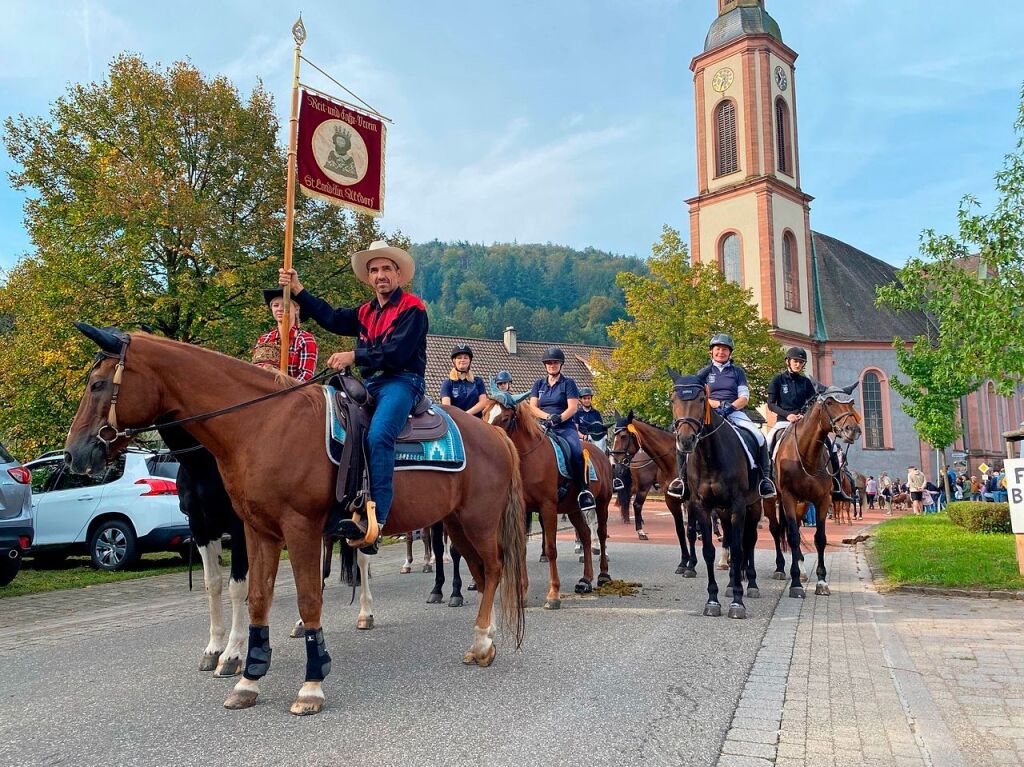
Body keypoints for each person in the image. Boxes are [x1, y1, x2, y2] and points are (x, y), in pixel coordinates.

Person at [278, 240, 428, 551]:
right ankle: (340, 503)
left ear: (399, 275)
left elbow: (398, 353)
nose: (380, 275)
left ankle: (378, 518)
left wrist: (354, 356)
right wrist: (298, 289)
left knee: (379, 436)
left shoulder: (414, 308)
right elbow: (331, 318)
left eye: (387, 268)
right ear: (369, 278)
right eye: (374, 270)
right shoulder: (365, 311)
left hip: (403, 381)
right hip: (371, 384)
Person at [693, 333, 776, 498]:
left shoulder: (738, 372)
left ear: (730, 353)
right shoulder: (703, 372)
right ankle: (682, 480)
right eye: (718, 349)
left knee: (759, 437)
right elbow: (700, 397)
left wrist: (730, 408)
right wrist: (718, 405)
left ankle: (765, 480)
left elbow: (744, 397)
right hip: (709, 415)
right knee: (684, 438)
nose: (721, 352)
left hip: (735, 412)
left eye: (725, 349)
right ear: (711, 351)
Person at [765, 346, 852, 501]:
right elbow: (771, 404)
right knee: (768, 443)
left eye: (801, 362)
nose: (798, 364)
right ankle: (768, 481)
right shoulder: (777, 380)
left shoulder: (806, 382)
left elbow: (813, 404)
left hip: (804, 423)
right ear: (788, 361)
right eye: (795, 361)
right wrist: (788, 415)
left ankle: (837, 484)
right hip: (783, 423)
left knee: (830, 445)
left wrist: (804, 416)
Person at [527, 347, 596, 512]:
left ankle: (583, 490)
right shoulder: (539, 384)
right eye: (549, 363)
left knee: (576, 451)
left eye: (555, 362)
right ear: (545, 365)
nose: (552, 365)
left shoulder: (568, 383)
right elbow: (532, 407)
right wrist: (547, 418)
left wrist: (558, 418)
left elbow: (572, 407)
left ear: (560, 364)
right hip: (542, 426)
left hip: (564, 427)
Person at [253, 288, 318, 381]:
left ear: (296, 309)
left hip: (293, 392)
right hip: (264, 390)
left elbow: (305, 377)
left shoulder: (305, 339)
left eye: (285, 305)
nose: (279, 309)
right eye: (276, 305)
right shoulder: (264, 339)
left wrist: (283, 388)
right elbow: (255, 370)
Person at [440, 345, 487, 417]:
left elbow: (483, 402)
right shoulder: (448, 383)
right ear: (454, 361)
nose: (462, 360)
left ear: (469, 360)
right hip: (456, 421)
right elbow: (447, 407)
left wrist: (466, 415)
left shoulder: (478, 382)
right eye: (459, 358)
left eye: (466, 358)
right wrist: (461, 417)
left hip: (476, 421)